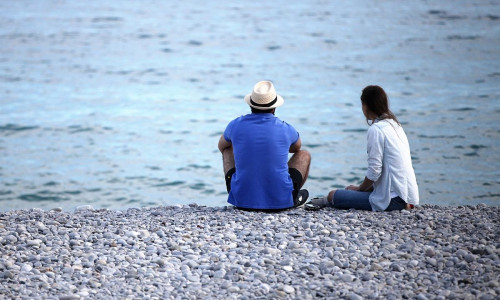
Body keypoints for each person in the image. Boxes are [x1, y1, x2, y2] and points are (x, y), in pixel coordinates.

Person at [306, 85, 419, 211]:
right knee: (352, 191)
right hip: (409, 196)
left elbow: (375, 171)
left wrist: (360, 189)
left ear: (366, 106)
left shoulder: (376, 130)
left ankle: (324, 201)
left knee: (333, 195)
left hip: (392, 200)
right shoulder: (396, 126)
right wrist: (363, 189)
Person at [218, 81, 311, 211]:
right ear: (274, 107)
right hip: (281, 203)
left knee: (228, 148)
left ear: (251, 105)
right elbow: (296, 148)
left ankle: (242, 190)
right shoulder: (286, 128)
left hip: (241, 201)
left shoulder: (235, 125)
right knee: (304, 154)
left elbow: (221, 146)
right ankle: (292, 197)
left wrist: (244, 146)